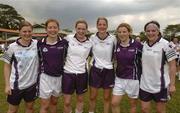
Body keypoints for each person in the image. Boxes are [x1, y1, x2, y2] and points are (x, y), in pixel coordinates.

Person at [1, 21, 39, 113]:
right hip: (15, 86)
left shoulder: (37, 44)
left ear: (32, 32)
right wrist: (7, 85)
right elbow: (6, 66)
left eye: (29, 31)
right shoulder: (12, 47)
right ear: (19, 32)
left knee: (30, 108)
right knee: (12, 110)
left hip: (31, 85)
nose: (27, 34)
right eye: (24, 31)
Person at [140, 20, 176, 113]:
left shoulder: (167, 44)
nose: (150, 33)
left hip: (161, 85)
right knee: (144, 109)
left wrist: (172, 85)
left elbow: (172, 65)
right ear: (145, 32)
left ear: (158, 31)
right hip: (145, 84)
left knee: (160, 111)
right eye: (148, 31)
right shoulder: (143, 44)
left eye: (153, 30)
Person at [38, 19, 68, 113]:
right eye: (50, 27)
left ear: (58, 29)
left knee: (54, 102)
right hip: (45, 77)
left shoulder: (64, 43)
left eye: (55, 27)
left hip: (59, 77)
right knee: (45, 105)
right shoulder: (40, 43)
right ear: (46, 29)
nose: (52, 30)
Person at [111, 23, 143, 113]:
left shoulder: (137, 45)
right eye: (119, 32)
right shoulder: (116, 45)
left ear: (129, 32)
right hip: (119, 78)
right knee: (114, 103)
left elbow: (146, 58)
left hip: (133, 79)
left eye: (124, 31)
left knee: (133, 104)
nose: (122, 34)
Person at [62, 19, 92, 113]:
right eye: (79, 28)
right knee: (67, 102)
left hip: (82, 74)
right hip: (68, 73)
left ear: (86, 30)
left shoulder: (90, 43)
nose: (81, 31)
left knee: (80, 100)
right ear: (75, 28)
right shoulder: (68, 38)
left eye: (83, 29)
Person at [88, 17, 116, 113]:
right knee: (92, 96)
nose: (102, 26)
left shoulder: (113, 38)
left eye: (104, 24)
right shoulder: (92, 38)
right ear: (97, 26)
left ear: (107, 26)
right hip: (95, 70)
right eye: (100, 24)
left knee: (107, 97)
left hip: (108, 70)